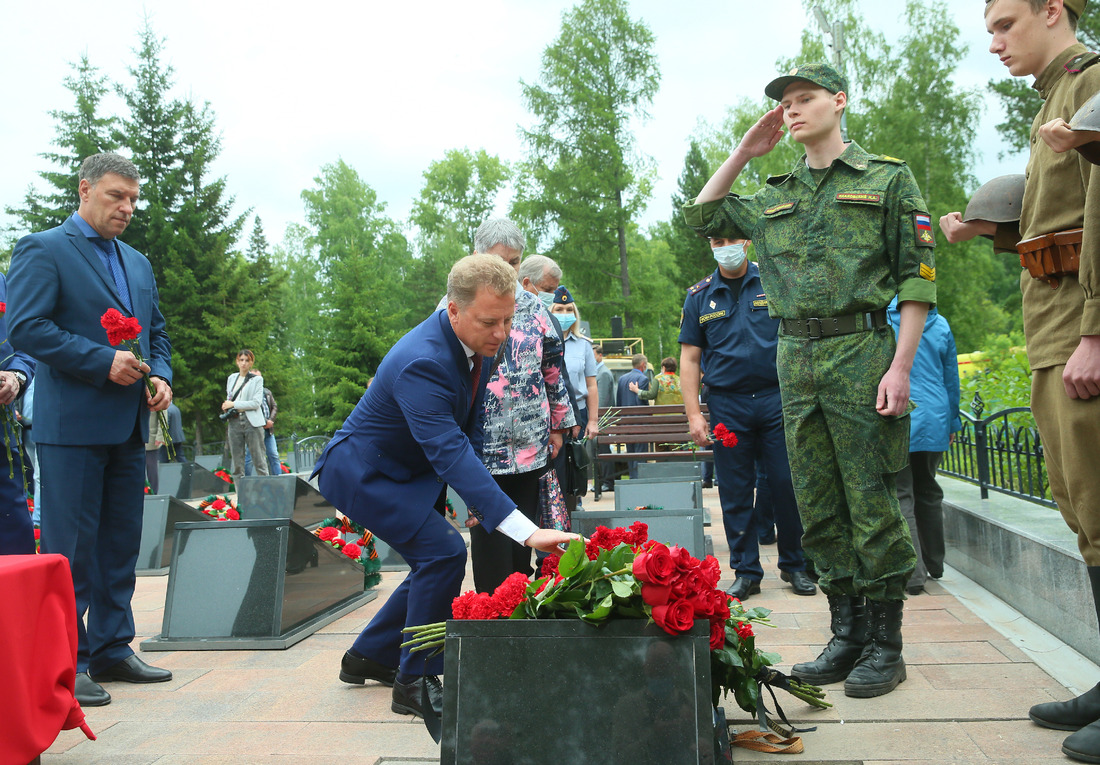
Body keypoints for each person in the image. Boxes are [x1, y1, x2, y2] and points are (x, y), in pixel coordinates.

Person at [684, 63, 936, 698]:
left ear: (839, 101)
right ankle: (845, 633)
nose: (792, 111)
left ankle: (887, 644)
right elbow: (705, 214)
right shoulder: (774, 193)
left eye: (805, 99)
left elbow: (916, 279)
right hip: (795, 359)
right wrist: (745, 150)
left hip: (861, 351)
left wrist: (901, 366)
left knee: (871, 499)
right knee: (818, 504)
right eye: (785, 104)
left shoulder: (887, 179)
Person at [312, 254, 578, 719]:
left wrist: (477, 497)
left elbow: (468, 427)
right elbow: (448, 449)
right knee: (444, 553)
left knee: (431, 559)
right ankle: (414, 681)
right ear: (453, 310)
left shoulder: (476, 344)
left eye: (509, 319)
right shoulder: (424, 361)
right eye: (489, 322)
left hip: (402, 470)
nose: (501, 333)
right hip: (364, 473)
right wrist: (527, 532)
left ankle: (370, 655)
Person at [939, 1, 1100, 757]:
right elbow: (1057, 230)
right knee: (1080, 507)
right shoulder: (1058, 98)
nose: (996, 42)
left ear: (1052, 11)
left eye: (1007, 23)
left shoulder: (1092, 83)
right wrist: (990, 231)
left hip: (1082, 330)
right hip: (1054, 329)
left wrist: (1097, 331)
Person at [8, 152, 174, 707]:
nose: (127, 208)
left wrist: (163, 377)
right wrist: (98, 361)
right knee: (69, 551)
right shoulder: (44, 248)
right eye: (115, 196)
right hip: (72, 427)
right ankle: (64, 662)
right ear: (85, 190)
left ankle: (111, 647)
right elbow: (26, 328)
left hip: (128, 426)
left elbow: (157, 333)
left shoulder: (138, 263)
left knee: (119, 545)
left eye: (133, 199)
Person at [679, 237, 815, 601]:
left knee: (787, 484)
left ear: (747, 242)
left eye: (732, 240)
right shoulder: (699, 297)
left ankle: (795, 564)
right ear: (709, 244)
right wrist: (694, 414)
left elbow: (800, 340)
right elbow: (690, 360)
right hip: (728, 405)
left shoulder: (773, 282)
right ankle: (747, 572)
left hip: (776, 400)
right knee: (736, 489)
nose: (726, 247)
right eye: (718, 241)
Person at [465, 234, 575, 594]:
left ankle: (521, 618)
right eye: (500, 260)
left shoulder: (533, 306)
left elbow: (553, 370)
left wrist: (558, 426)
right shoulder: (456, 305)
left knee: (526, 542)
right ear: (479, 256)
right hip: (484, 453)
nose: (507, 269)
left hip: (531, 447)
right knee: (490, 546)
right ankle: (491, 618)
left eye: (514, 262)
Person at [886, 297, 960, 596]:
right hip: (936, 418)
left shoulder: (885, 324)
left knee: (902, 492)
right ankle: (936, 563)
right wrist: (953, 422)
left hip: (901, 414)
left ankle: (913, 575)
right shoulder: (940, 324)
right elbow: (951, 378)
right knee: (928, 489)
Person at [550, 286, 599, 505]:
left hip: (576, 412)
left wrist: (593, 420)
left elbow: (592, 385)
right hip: (550, 414)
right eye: (559, 309)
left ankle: (573, 507)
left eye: (569, 309)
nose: (564, 313)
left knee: (573, 464)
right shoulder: (544, 341)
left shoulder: (583, 346)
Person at [0, 272, 35, 555]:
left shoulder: (1, 281)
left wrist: (16, 376)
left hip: (3, 450)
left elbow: (24, 346)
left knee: (15, 554)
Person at [222, 349, 268, 478]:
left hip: (252, 422)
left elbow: (255, 403)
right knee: (237, 464)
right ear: (237, 362)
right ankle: (241, 495)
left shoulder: (257, 380)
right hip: (234, 421)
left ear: (251, 363)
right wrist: (227, 406)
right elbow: (230, 397)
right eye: (241, 360)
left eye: (247, 360)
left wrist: (234, 404)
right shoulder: (232, 378)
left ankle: (266, 494)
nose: (244, 363)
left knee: (259, 461)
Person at [616, 354, 650, 478]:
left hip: (626, 422)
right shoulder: (643, 379)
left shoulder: (622, 379)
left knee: (630, 453)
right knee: (640, 453)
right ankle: (638, 479)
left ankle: (632, 477)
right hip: (639, 422)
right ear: (643, 365)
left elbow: (618, 401)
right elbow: (641, 402)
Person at [592, 344, 617, 497]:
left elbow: (601, 400)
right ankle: (603, 482)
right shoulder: (599, 372)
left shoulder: (603, 373)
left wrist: (595, 419)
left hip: (601, 419)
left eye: (593, 355)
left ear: (600, 356)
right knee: (599, 451)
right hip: (601, 419)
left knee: (603, 451)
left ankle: (607, 482)